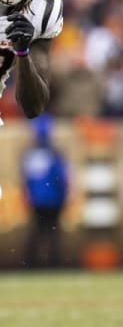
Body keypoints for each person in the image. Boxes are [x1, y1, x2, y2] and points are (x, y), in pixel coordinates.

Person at [22, 113, 69, 268]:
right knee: (51, 232)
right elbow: (62, 178)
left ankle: (31, 264)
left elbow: (27, 180)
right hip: (52, 199)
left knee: (39, 231)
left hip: (38, 199)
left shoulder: (31, 154)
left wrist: (27, 196)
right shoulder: (53, 154)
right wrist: (64, 195)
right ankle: (54, 263)